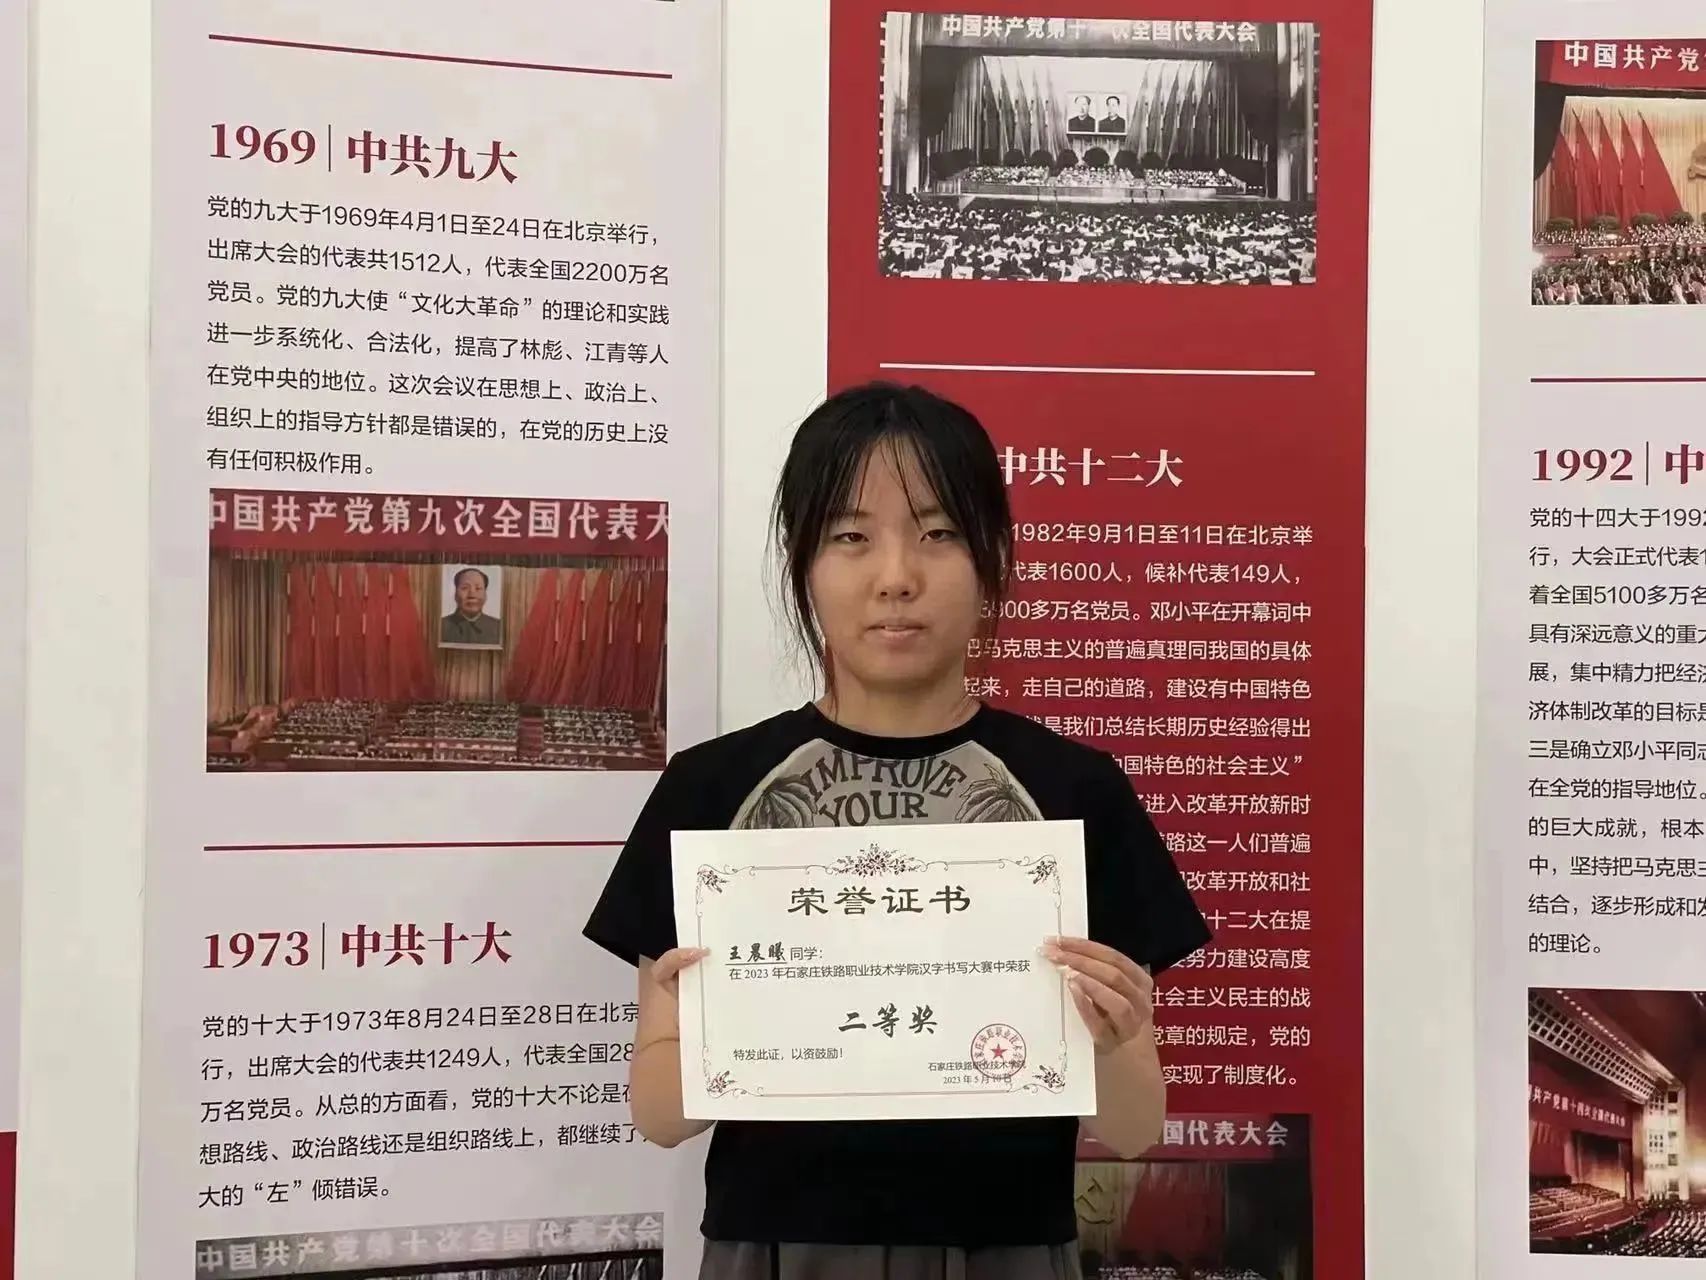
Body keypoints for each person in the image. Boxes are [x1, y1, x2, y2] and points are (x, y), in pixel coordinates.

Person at [583, 382, 1210, 1280]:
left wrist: (1111, 1039)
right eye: (851, 537)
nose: (896, 576)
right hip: (778, 1250)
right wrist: (709, 1026)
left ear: (991, 557)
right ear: (802, 561)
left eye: (938, 533)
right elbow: (660, 1116)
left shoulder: (1076, 791)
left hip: (1007, 1248)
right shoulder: (711, 789)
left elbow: (1135, 1126)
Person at [440, 566, 501, 646]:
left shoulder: (499, 628)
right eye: (465, 588)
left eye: (478, 588)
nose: (472, 595)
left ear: (485, 595)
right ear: (455, 594)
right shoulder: (440, 627)